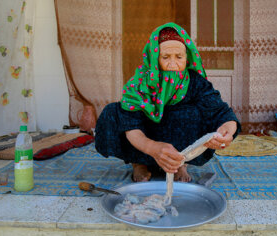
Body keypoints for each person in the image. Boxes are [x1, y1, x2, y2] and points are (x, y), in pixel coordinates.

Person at [95, 22, 241, 182]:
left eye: (179, 57)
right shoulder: (140, 82)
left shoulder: (195, 82)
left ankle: (180, 162)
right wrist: (152, 148)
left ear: (187, 58)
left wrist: (227, 130)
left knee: (192, 112)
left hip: (177, 134)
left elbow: (220, 111)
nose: (173, 64)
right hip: (146, 138)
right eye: (165, 57)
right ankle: (138, 162)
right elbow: (130, 123)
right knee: (114, 112)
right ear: (154, 59)